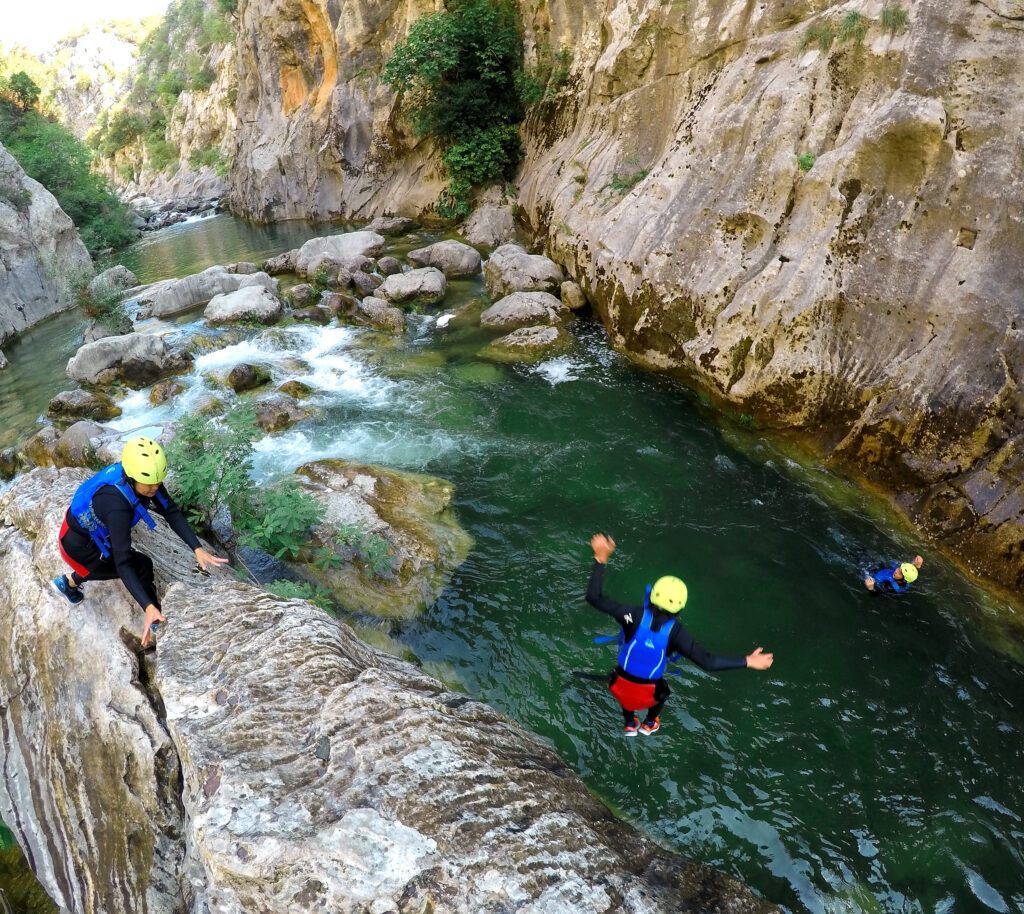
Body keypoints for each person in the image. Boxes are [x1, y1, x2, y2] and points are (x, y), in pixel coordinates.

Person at [586, 533, 774, 736]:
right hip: (650, 695)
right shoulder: (676, 633)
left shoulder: (631, 615)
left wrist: (601, 558)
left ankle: (630, 722)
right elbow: (708, 662)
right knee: (661, 692)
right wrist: (749, 661)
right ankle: (649, 723)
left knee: (627, 685)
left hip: (619, 686)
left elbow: (594, 597)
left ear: (652, 596)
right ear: (680, 609)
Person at [53, 436, 228, 647]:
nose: (155, 488)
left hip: (79, 534)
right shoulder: (116, 506)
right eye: (150, 483)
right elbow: (124, 563)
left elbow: (170, 510)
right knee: (142, 565)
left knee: (115, 560)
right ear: (132, 477)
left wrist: (197, 548)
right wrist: (147, 606)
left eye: (158, 482)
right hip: (79, 550)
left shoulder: (139, 477)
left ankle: (67, 583)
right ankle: (155, 618)